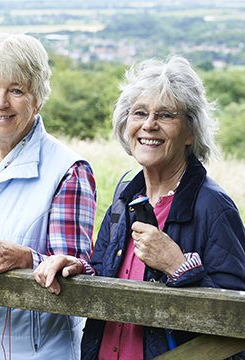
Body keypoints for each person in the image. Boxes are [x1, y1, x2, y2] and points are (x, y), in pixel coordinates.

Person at [33, 55, 245, 359]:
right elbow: (106, 275)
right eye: (140, 113)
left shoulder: (214, 207)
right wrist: (78, 269)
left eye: (166, 115)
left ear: (190, 132)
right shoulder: (125, 196)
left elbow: (236, 326)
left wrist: (178, 267)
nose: (149, 125)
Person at [0, 33, 97, 360]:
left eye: (16, 90)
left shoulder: (68, 171)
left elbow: (76, 275)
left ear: (38, 98)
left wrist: (27, 259)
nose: (0, 102)